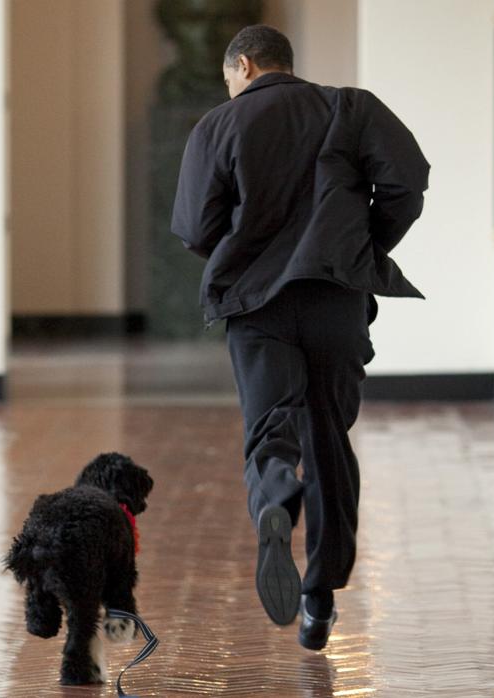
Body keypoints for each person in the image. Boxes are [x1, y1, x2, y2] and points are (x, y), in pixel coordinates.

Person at [171, 24, 429, 650]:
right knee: (328, 438)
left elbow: (193, 225)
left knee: (270, 426)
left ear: (247, 65)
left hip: (258, 304)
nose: (229, 87)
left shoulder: (218, 126)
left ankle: (275, 499)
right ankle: (319, 596)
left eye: (229, 77)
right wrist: (359, 245)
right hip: (334, 298)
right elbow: (407, 181)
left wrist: (241, 249)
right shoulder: (349, 106)